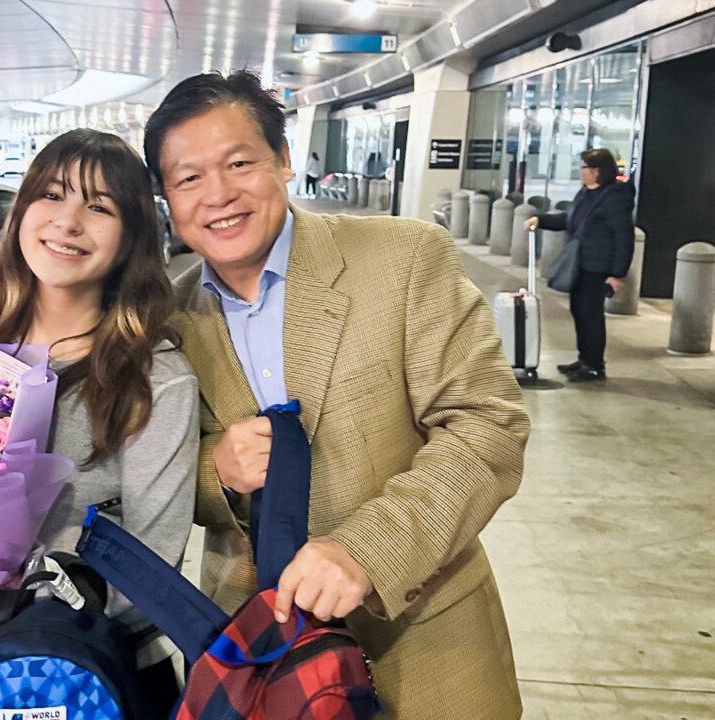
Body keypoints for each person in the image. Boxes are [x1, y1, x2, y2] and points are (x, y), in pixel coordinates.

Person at [143, 70, 530, 719]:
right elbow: (159, 475)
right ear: (167, 198)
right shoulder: (168, 321)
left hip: (425, 639)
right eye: (188, 178)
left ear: (283, 159)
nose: (218, 195)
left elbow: (487, 427)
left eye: (239, 163)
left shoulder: (403, 258)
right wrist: (217, 470)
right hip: (264, 658)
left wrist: (367, 550)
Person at [0, 128, 198, 718]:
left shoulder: (153, 379)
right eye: (52, 195)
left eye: (100, 207)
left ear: (132, 236)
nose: (68, 222)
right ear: (22, 210)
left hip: (98, 681)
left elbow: (151, 571)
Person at [526, 148, 635, 381]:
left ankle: (595, 366)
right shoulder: (585, 193)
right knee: (579, 311)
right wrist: (541, 220)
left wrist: (617, 274)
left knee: (591, 315)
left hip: (598, 267)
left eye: (584, 167)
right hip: (580, 264)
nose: (580, 171)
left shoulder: (615, 197)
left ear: (598, 171)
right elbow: (568, 219)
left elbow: (623, 238)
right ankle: (584, 358)